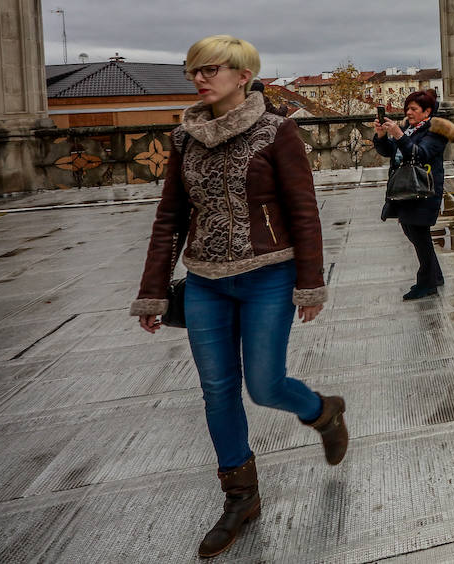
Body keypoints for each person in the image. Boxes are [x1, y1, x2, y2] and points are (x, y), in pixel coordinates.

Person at [131, 35, 347, 559]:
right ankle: (240, 496)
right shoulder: (184, 139)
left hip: (269, 274)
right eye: (194, 71)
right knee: (217, 389)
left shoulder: (278, 132)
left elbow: (303, 209)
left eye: (211, 69)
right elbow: (170, 219)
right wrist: (153, 291)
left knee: (266, 385)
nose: (200, 78)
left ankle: (323, 412)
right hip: (206, 281)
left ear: (244, 74)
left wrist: (310, 281)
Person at [374, 88, 454, 301]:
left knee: (420, 237)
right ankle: (434, 276)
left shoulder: (436, 132)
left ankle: (426, 283)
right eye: (407, 109)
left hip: (424, 190)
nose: (409, 113)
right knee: (414, 234)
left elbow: (419, 154)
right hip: (406, 190)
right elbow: (389, 152)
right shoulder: (410, 129)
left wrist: (399, 135)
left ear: (427, 111)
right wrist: (382, 135)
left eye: (413, 109)